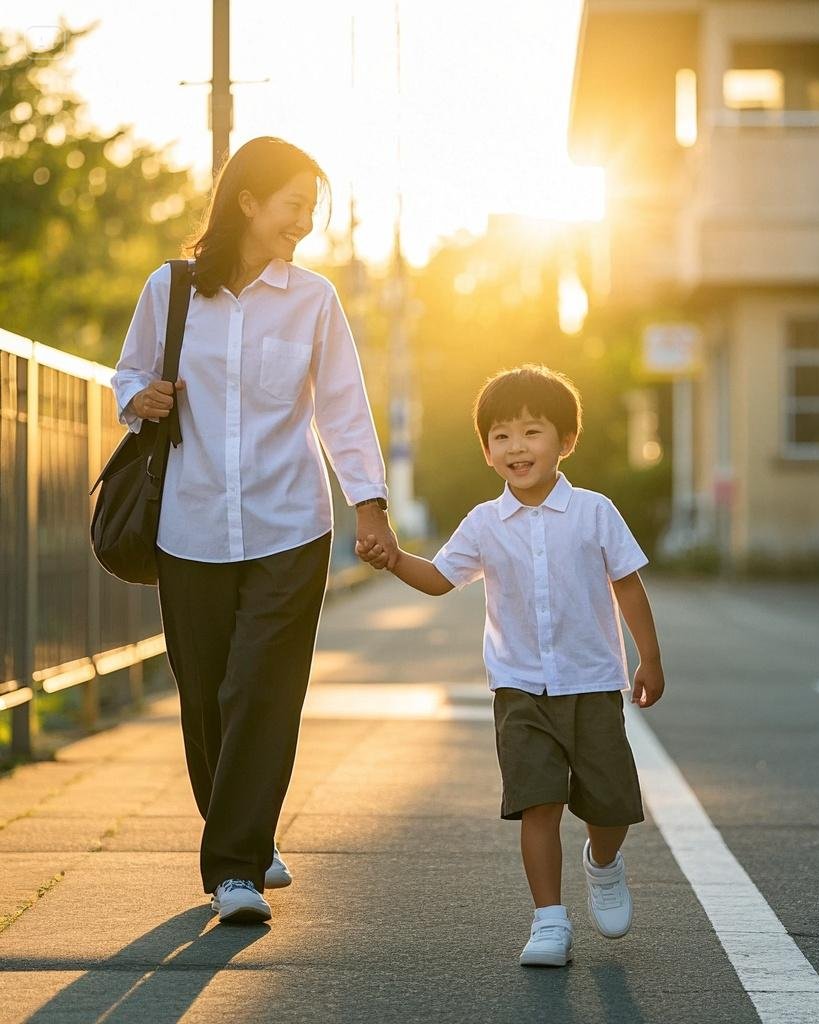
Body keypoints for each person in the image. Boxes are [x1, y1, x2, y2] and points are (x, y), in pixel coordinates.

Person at [112, 136, 397, 924]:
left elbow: (342, 406)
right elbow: (128, 373)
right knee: (205, 697)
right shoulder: (169, 291)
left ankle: (234, 868)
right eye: (294, 207)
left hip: (289, 524)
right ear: (247, 202)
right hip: (189, 525)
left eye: (312, 210)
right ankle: (247, 831)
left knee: (261, 691)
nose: (304, 224)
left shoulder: (313, 300)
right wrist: (141, 399)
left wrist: (368, 503)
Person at [357, 364, 665, 966]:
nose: (517, 446)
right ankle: (549, 920)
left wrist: (649, 657)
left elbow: (628, 586)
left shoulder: (595, 512)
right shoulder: (482, 523)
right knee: (538, 802)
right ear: (487, 451)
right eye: (501, 435)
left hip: (592, 682)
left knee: (611, 806)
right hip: (519, 686)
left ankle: (602, 864)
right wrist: (393, 559)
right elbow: (442, 579)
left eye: (532, 432)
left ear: (565, 442)